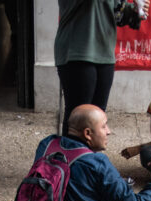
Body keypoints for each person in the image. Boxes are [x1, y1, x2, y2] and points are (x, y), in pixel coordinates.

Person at [54, 0, 117, 137]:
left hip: (104, 52)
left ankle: (90, 157)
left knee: (98, 115)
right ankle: (71, 156)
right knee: (78, 114)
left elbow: (117, 12)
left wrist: (135, 10)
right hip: (76, 52)